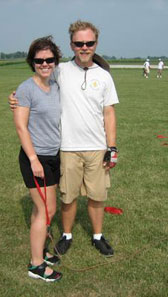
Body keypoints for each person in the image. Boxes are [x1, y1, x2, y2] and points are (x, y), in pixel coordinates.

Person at [9, 21, 119, 257]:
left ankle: (98, 236)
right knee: (68, 197)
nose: (84, 47)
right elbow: (37, 83)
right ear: (71, 45)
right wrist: (15, 98)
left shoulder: (104, 76)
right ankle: (66, 235)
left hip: (98, 148)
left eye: (89, 43)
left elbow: (109, 113)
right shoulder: (60, 71)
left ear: (96, 44)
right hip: (67, 148)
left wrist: (112, 146)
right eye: (79, 43)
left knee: (97, 196)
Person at [13, 36, 62, 282]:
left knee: (43, 209)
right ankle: (35, 265)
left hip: (54, 156)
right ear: (32, 62)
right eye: (39, 60)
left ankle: (40, 250)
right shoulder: (26, 89)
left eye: (49, 59)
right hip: (36, 158)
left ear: (55, 61)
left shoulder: (56, 83)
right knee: (46, 209)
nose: (45, 64)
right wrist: (33, 159)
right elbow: (21, 127)